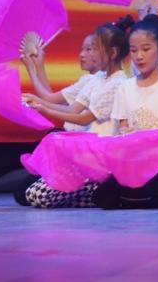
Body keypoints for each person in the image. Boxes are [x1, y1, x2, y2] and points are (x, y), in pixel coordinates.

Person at [18, 19, 130, 208]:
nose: (90, 54)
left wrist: (43, 107)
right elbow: (72, 109)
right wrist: (39, 101)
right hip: (84, 152)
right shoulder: (97, 79)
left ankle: (97, 192)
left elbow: (84, 118)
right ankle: (92, 193)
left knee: (38, 196)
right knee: (28, 193)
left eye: (95, 48)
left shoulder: (118, 83)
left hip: (100, 156)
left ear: (112, 53)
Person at [97, 16, 158, 209]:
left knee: (151, 193)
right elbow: (122, 131)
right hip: (131, 161)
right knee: (104, 196)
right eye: (133, 50)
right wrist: (128, 137)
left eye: (146, 49)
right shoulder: (125, 87)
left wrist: (141, 138)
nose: (139, 56)